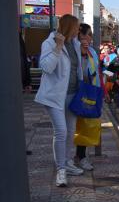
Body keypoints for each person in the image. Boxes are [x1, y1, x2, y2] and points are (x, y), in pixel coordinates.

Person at [35, 14, 85, 187]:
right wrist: (58, 47)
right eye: (77, 27)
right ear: (69, 27)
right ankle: (61, 170)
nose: (79, 30)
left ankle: (68, 162)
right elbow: (47, 67)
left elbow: (76, 69)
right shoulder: (49, 43)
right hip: (54, 96)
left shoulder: (76, 45)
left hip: (72, 95)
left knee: (70, 132)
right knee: (61, 131)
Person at [73, 23, 103, 171]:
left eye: (90, 35)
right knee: (71, 127)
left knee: (86, 125)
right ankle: (67, 159)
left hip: (89, 93)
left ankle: (81, 156)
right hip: (74, 93)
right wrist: (82, 52)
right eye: (86, 35)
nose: (89, 38)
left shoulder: (92, 52)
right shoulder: (74, 50)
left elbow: (95, 72)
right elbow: (79, 70)